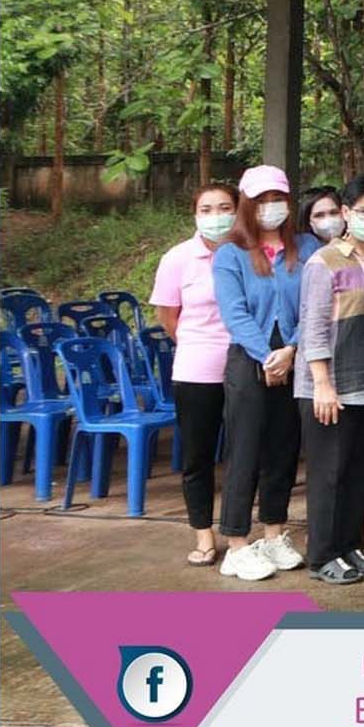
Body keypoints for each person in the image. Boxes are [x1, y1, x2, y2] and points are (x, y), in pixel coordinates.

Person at [211, 164, 307, 583]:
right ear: (247, 205)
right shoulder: (230, 253)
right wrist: (269, 357)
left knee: (283, 449)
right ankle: (235, 544)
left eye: (278, 199)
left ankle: (273, 533)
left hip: (294, 357)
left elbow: (316, 304)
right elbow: (234, 313)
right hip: (250, 360)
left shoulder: (305, 247)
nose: (271, 207)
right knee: (245, 451)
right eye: (262, 200)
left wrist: (291, 350)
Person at [296, 174, 364, 586]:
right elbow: (313, 327)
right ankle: (322, 555)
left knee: (362, 471)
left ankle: (349, 544)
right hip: (331, 385)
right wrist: (322, 383)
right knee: (329, 474)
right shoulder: (325, 262)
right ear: (348, 212)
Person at [150, 182, 239, 571]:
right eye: (207, 209)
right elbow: (168, 316)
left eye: (224, 207)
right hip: (196, 370)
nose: (216, 216)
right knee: (198, 456)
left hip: (244, 367)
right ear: (195, 214)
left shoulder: (248, 252)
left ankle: (237, 533)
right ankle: (203, 534)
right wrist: (199, 343)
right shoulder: (178, 258)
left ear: (238, 211)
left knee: (243, 455)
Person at [297, 186, 343, 260]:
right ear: (308, 221)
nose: (328, 219)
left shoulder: (357, 247)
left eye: (334, 212)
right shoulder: (301, 254)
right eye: (319, 215)